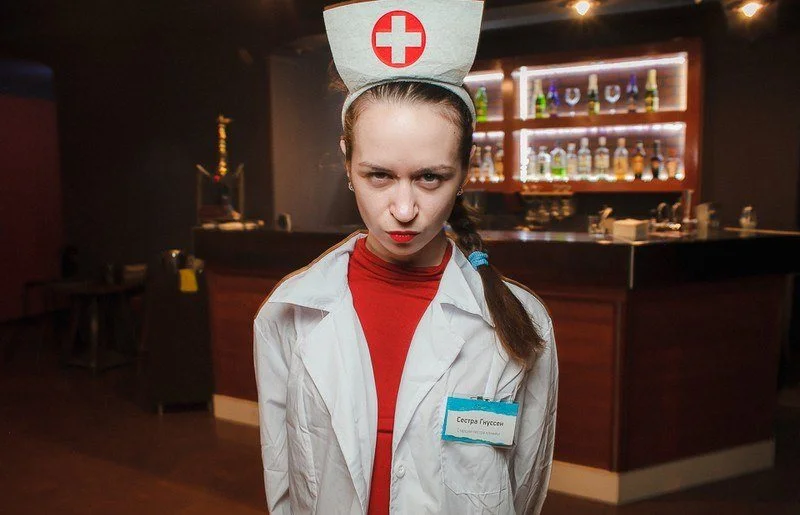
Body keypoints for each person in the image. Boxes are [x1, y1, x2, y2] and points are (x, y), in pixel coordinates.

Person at [254, 1, 558, 513]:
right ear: (347, 164)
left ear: (464, 173)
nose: (403, 209)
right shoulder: (288, 312)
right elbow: (282, 476)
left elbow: (524, 486)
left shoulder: (522, 323)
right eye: (379, 175)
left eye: (429, 177)